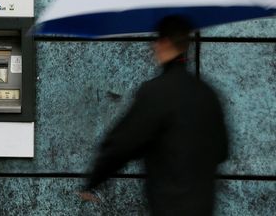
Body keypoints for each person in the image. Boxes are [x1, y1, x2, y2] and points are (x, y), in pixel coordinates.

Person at [79, 15, 229, 215]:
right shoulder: (207, 93)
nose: (153, 48)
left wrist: (93, 181)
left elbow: (121, 144)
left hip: (169, 206)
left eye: (156, 42)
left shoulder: (156, 92)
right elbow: (222, 151)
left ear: (164, 43)